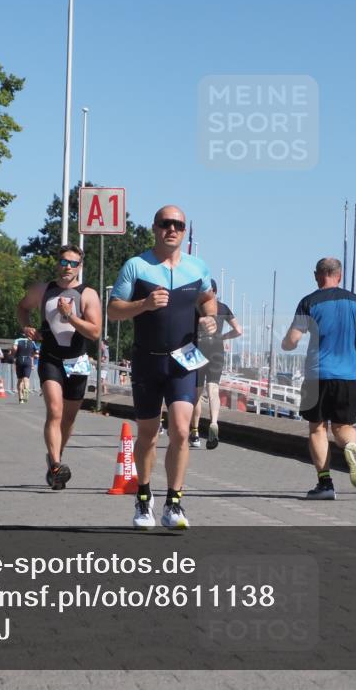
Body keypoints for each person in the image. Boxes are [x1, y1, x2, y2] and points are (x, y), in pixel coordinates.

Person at [109, 205, 217, 529]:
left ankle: (174, 503)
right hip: (146, 361)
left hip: (183, 360)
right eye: (166, 224)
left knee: (182, 430)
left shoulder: (198, 267)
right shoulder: (136, 266)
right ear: (155, 228)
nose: (172, 229)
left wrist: (210, 316)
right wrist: (143, 304)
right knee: (147, 434)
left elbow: (207, 298)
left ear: (184, 232)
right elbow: (113, 310)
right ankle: (144, 497)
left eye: (178, 225)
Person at [281, 257, 356, 500]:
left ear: (316, 275)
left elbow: (292, 340)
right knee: (344, 427)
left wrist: (286, 343)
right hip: (347, 374)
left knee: (317, 429)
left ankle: (325, 484)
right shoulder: (355, 300)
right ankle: (351, 447)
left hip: (317, 375)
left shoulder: (308, 302)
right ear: (339, 276)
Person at [16, 244, 101, 490]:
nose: (67, 267)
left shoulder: (88, 294)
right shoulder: (43, 290)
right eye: (64, 261)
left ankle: (56, 456)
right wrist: (26, 326)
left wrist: (71, 316)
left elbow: (95, 332)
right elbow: (22, 308)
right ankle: (55, 465)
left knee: (68, 418)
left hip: (77, 361)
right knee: (55, 410)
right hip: (50, 357)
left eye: (73, 263)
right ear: (57, 263)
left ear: (79, 267)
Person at [190, 279, 242, 450]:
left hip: (200, 347)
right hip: (217, 348)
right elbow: (238, 330)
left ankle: (195, 431)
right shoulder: (224, 307)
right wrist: (223, 337)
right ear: (216, 292)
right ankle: (213, 423)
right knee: (213, 389)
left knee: (197, 392)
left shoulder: (197, 307)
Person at [10, 333, 38, 403]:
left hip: (19, 360)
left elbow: (14, 348)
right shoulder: (32, 342)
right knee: (26, 379)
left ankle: (20, 398)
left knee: (20, 380)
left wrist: (13, 354)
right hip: (28, 360)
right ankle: (26, 394)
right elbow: (37, 352)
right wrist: (32, 356)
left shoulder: (17, 340)